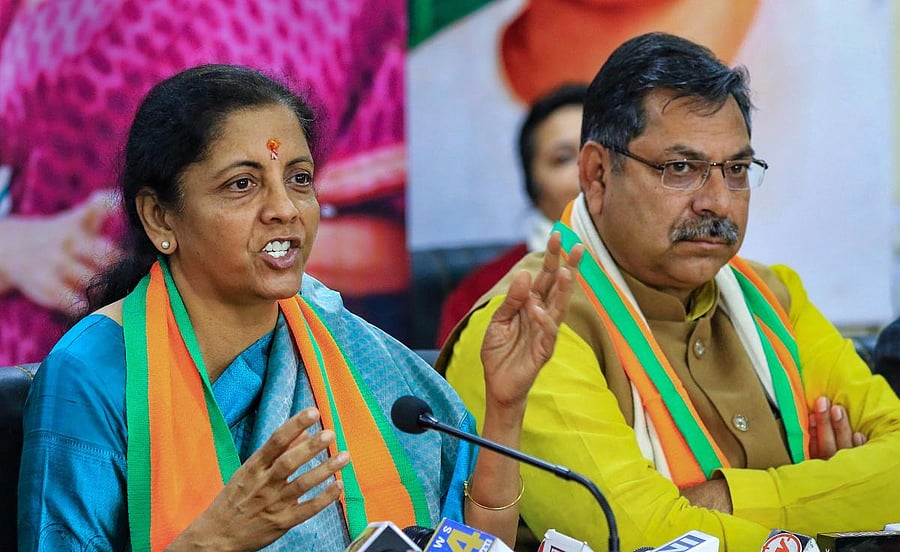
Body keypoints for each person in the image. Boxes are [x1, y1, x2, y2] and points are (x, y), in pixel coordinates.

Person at [17, 64, 582, 551]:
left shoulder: (362, 355)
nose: (285, 209)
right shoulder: (94, 374)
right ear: (161, 218)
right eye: (242, 184)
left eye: (300, 179)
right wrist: (216, 540)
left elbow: (483, 545)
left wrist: (506, 406)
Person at [440, 32, 900, 550]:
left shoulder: (773, 297)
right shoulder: (530, 325)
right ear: (595, 174)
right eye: (680, 169)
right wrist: (837, 492)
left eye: (736, 170)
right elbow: (637, 535)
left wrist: (719, 502)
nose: (717, 202)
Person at [436, 84, 586, 347]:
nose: (587, 171)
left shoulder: (663, 273)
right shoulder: (481, 293)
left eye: (602, 153)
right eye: (563, 159)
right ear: (533, 188)